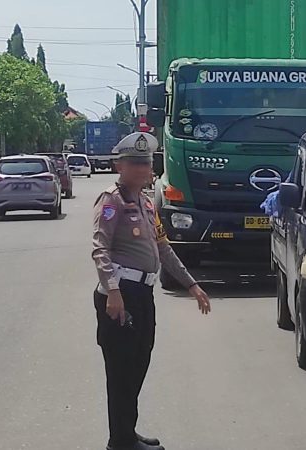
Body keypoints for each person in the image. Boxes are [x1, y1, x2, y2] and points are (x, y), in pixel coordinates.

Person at [92, 132, 212, 450]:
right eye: (136, 164)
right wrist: (113, 292)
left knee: (138, 363)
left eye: (147, 164)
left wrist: (192, 283)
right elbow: (100, 249)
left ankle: (127, 432)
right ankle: (119, 441)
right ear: (120, 165)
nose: (144, 170)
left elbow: (163, 247)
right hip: (120, 295)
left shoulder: (146, 203)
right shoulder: (111, 201)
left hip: (143, 294)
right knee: (121, 371)